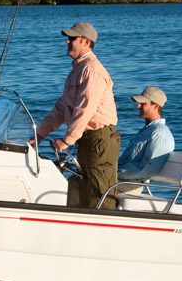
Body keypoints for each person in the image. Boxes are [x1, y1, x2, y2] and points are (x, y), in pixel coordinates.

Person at [32, 22, 120, 209]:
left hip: (99, 140)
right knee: (78, 185)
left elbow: (84, 110)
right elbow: (62, 108)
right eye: (68, 38)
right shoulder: (77, 69)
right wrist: (39, 135)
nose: (67, 42)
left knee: (99, 192)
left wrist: (67, 140)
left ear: (86, 42)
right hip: (87, 140)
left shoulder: (92, 71)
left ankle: (104, 230)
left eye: (72, 38)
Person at [117, 87, 175, 195]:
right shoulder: (147, 130)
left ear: (155, 106)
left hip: (128, 186)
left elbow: (147, 169)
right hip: (121, 181)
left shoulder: (160, 134)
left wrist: (113, 173)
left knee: (78, 187)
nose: (138, 106)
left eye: (143, 103)